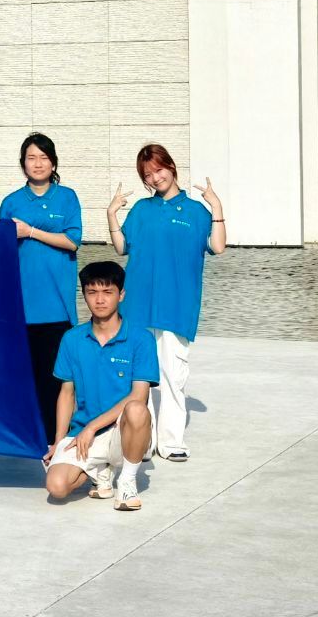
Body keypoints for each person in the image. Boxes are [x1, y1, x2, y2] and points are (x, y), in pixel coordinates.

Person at [107, 143, 226, 462]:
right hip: (138, 305)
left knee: (174, 374)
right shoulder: (142, 210)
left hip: (177, 306)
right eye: (147, 175)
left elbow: (218, 246)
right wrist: (111, 214)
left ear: (171, 167)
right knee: (140, 378)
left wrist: (216, 206)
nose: (155, 178)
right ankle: (142, 442)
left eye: (158, 170)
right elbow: (121, 248)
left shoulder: (196, 212)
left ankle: (171, 442)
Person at [43, 261, 157, 511]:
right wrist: (59, 441)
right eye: (92, 292)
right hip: (84, 432)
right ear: (84, 295)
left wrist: (93, 427)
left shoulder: (142, 339)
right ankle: (100, 472)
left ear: (121, 294)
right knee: (57, 487)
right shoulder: (72, 338)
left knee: (137, 409)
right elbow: (66, 393)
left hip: (123, 432)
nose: (100, 299)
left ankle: (127, 481)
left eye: (107, 292)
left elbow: (139, 395)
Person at [0, 133, 82, 453]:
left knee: (55, 377)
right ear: (23, 164)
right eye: (31, 158)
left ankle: (53, 438)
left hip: (56, 305)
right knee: (25, 375)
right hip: (21, 305)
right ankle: (26, 436)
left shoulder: (67, 198)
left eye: (44, 158)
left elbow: (72, 241)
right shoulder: (12, 202)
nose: (37, 164)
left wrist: (31, 231)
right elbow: (2, 252)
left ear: (53, 163)